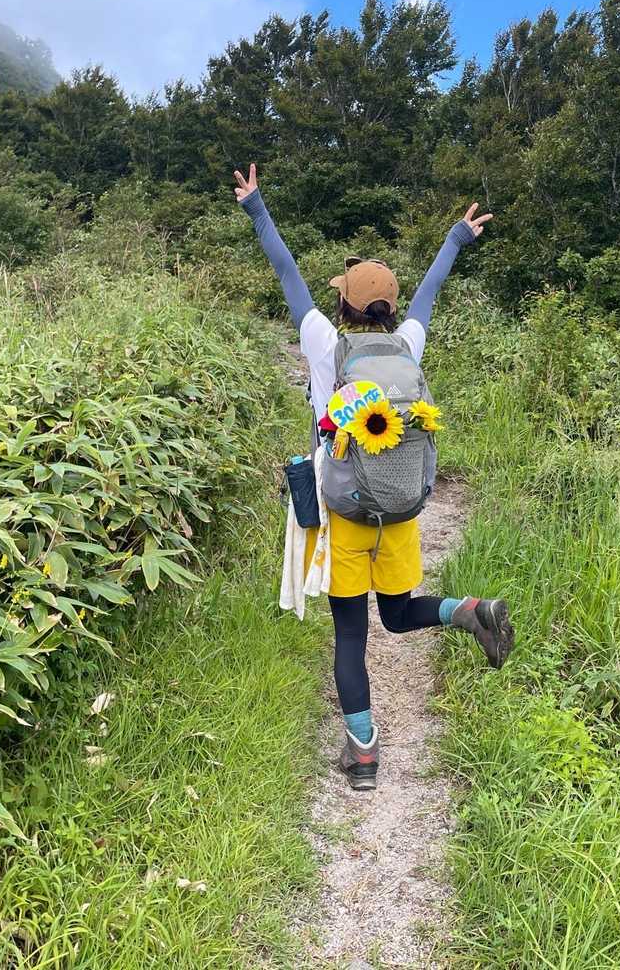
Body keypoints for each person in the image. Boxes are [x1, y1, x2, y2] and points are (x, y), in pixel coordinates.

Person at [234, 163, 514, 791]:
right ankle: (468, 611)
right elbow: (430, 294)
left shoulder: (323, 343)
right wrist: (456, 238)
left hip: (343, 513)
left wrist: (257, 207)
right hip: (400, 507)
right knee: (399, 612)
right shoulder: (407, 346)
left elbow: (286, 273)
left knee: (351, 633)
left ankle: (363, 755)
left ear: (343, 305)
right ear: (389, 309)